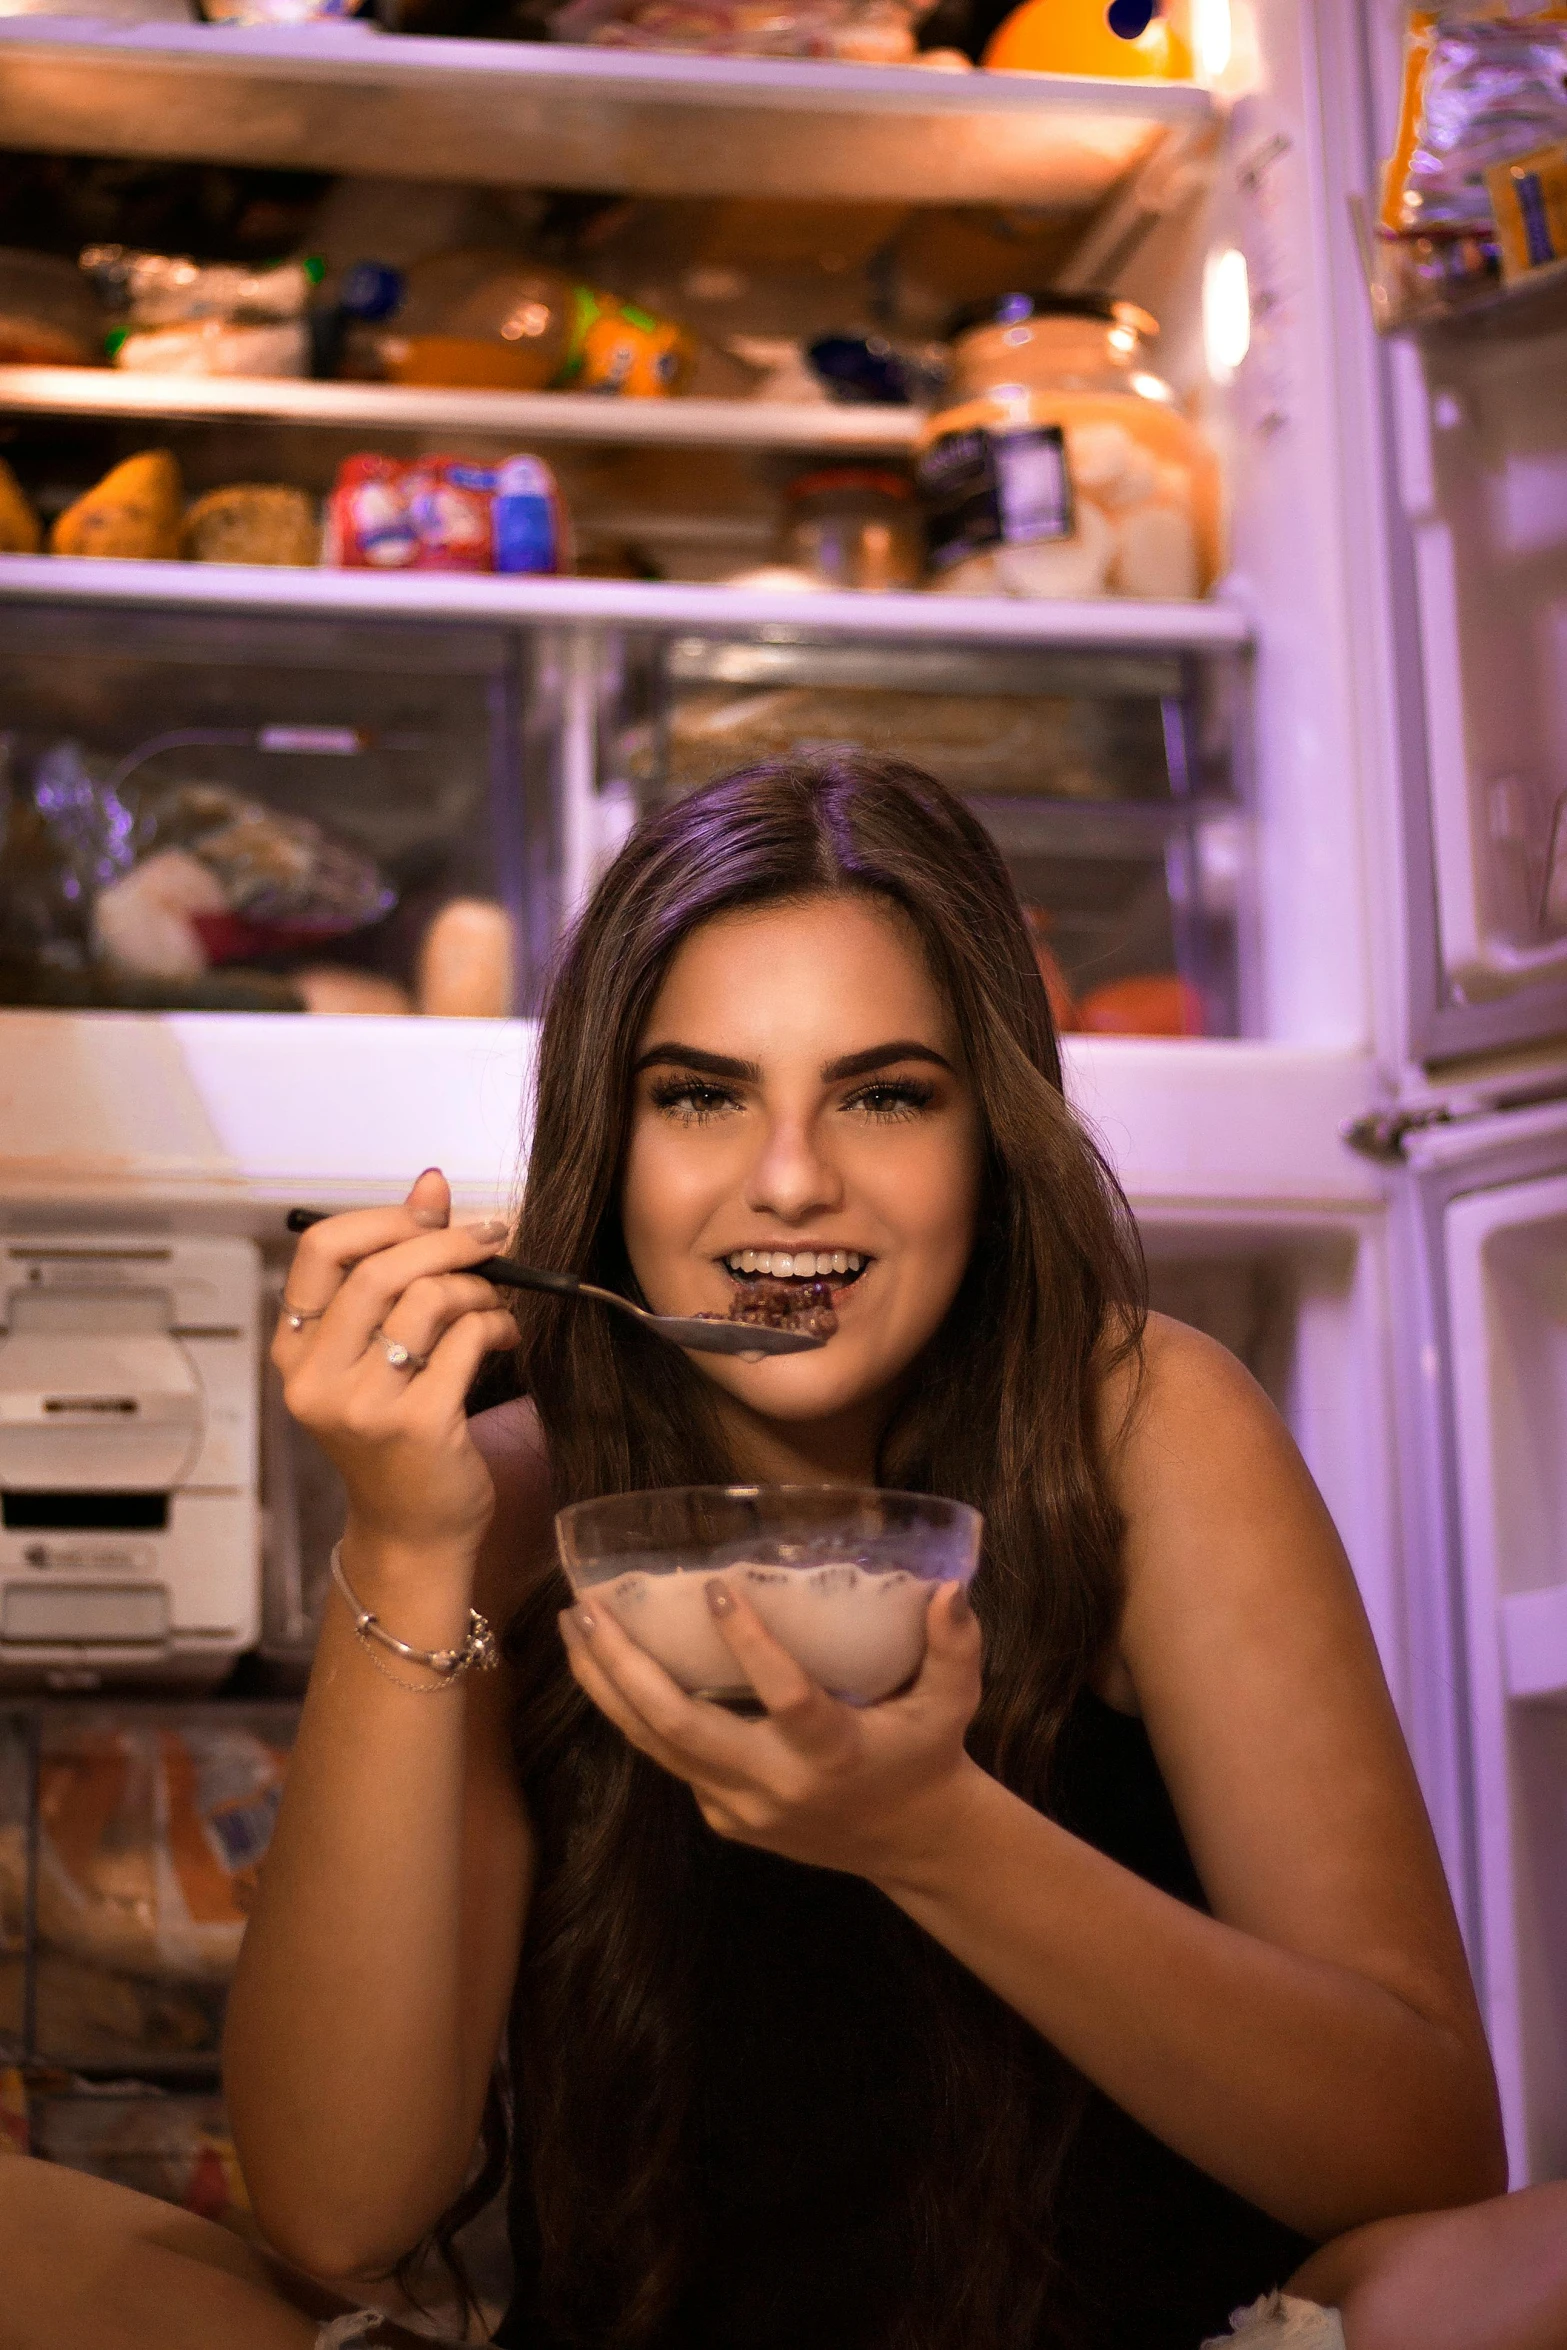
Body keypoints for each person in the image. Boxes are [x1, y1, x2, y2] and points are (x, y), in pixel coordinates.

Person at [4, 753, 1566, 2350]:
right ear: (607, 1145)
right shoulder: (493, 1503)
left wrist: (932, 1833)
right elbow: (342, 2208)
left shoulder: (1139, 1427)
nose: (792, 1178)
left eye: (885, 1093)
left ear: (988, 1140)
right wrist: (403, 1545)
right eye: (700, 1094)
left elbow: (1431, 2154)